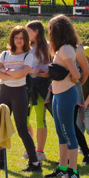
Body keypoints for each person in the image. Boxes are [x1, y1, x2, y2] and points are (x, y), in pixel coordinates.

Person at [0, 26, 40, 172]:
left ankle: (34, 163)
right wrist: (13, 72)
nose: (19, 40)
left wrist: (5, 71)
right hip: (5, 92)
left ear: (26, 40)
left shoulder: (28, 55)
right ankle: (0, 161)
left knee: (22, 128)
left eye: (21, 38)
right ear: (12, 39)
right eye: (16, 37)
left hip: (19, 93)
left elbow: (23, 73)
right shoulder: (5, 54)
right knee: (1, 126)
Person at [43, 15, 82, 178]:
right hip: (58, 93)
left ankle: (73, 170)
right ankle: (62, 167)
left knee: (68, 132)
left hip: (66, 93)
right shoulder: (63, 48)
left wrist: (73, 78)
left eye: (50, 29)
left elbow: (76, 74)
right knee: (61, 132)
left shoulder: (65, 49)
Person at [25, 20, 51, 162]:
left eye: (28, 31)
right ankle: (30, 148)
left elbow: (51, 66)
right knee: (24, 119)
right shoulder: (26, 46)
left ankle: (40, 151)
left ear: (36, 31)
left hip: (41, 86)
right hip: (27, 85)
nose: (25, 34)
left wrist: (43, 72)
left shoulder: (47, 46)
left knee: (40, 118)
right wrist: (29, 70)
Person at [75, 46, 89, 164]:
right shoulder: (78, 71)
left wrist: (85, 104)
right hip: (79, 105)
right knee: (79, 127)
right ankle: (81, 147)